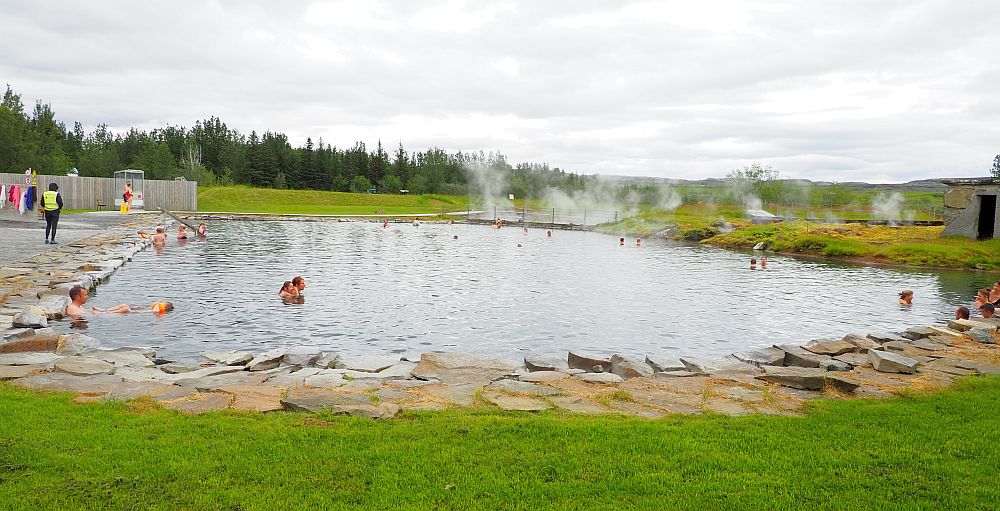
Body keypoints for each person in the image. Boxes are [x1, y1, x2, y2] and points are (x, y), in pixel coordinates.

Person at [92, 301, 174, 314]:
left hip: (136, 313)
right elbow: (146, 308)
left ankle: (104, 313)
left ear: (165, 308)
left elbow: (154, 311)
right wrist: (139, 307)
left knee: (126, 309)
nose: (162, 303)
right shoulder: (157, 307)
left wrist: (157, 304)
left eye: (164, 304)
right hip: (137, 310)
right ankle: (103, 309)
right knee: (124, 305)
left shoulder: (158, 311)